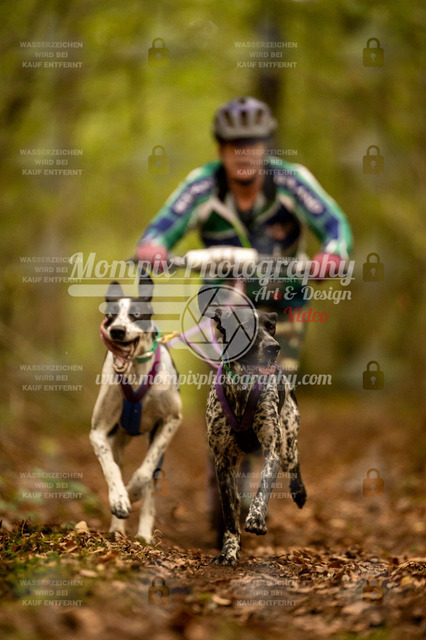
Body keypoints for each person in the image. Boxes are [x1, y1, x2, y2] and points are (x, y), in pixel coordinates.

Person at [137, 96, 352, 371]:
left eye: (251, 145)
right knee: (228, 383)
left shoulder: (292, 181)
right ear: (220, 150)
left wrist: (333, 254)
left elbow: (334, 224)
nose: (242, 154)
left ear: (265, 148)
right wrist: (153, 246)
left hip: (283, 301)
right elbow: (161, 229)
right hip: (223, 302)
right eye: (233, 146)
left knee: (276, 381)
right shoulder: (201, 186)